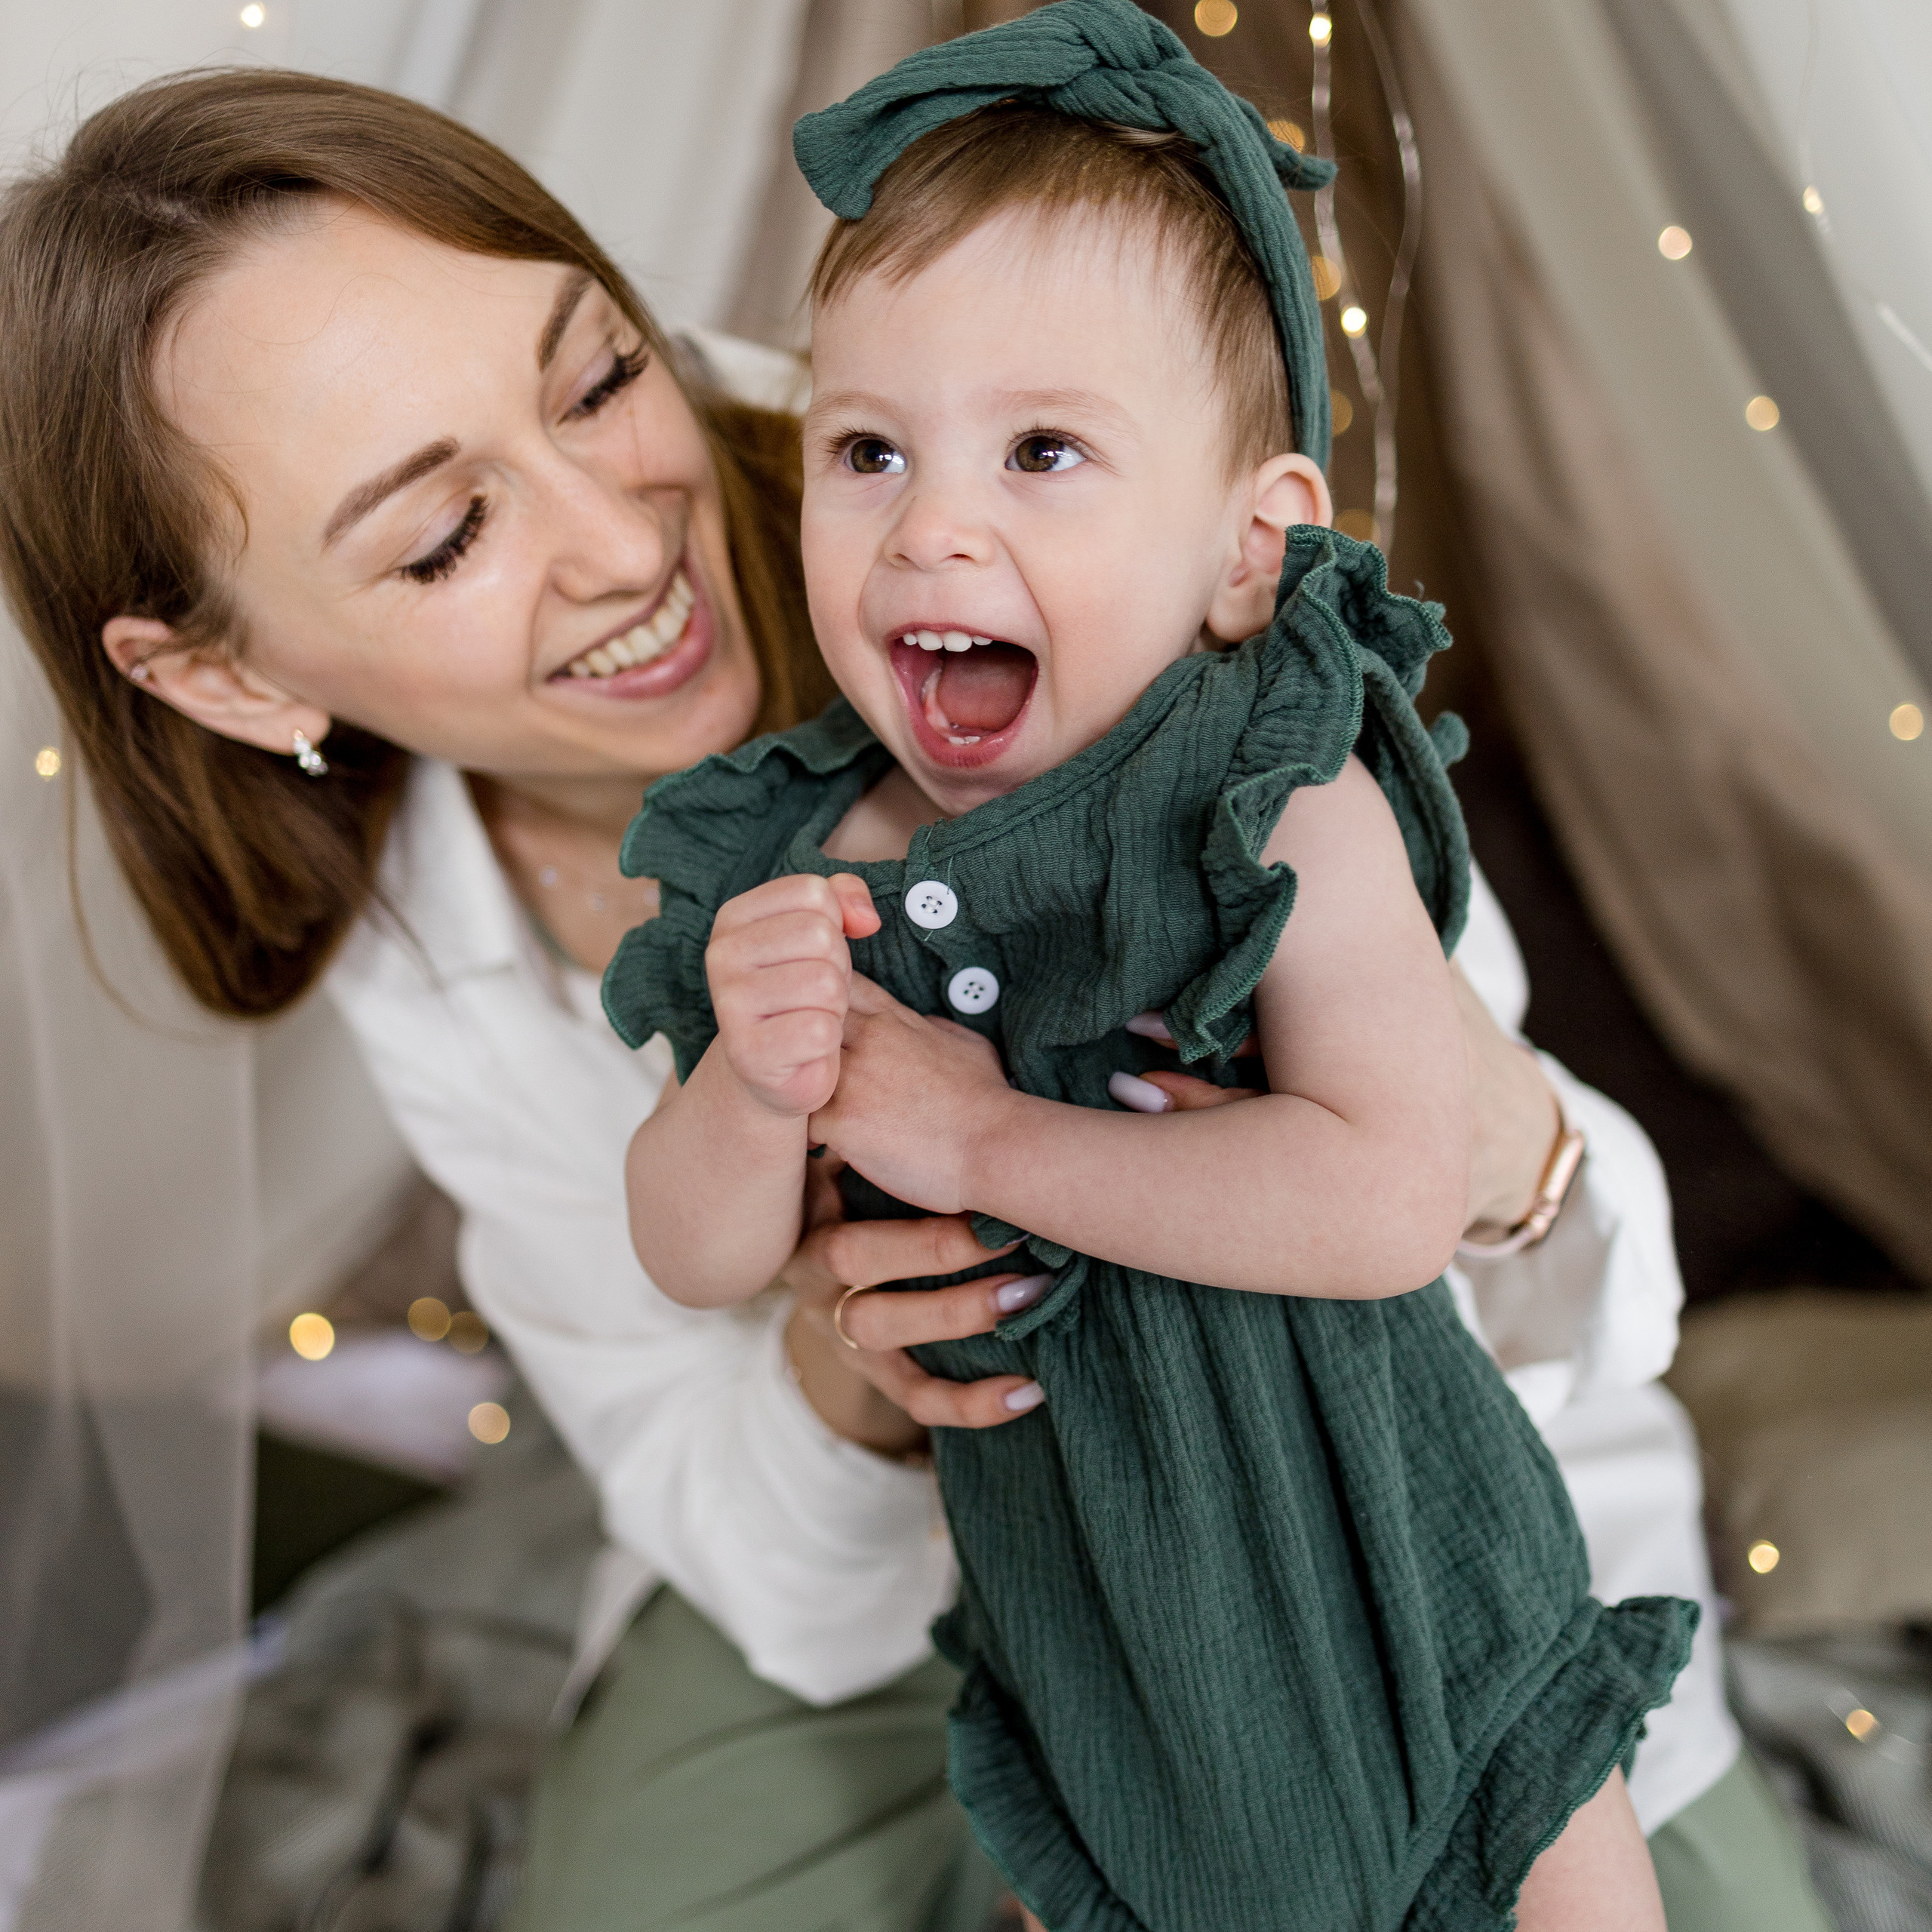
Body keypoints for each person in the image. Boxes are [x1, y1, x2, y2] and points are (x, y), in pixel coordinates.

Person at [0, 57, 1822, 1932]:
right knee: (666, 1876)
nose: (628, 542)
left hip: (1370, 1487)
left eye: (600, 377)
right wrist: (835, 1347)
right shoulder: (656, 886)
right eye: (444, 536)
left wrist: (1449, 1145)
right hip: (1019, 1576)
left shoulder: (1048, 523)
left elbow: (1480, 1244)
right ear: (226, 682)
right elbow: (730, 1460)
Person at [611, 16, 1690, 1928]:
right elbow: (696, 1258)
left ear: (1246, 550)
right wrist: (740, 1086)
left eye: (1042, 450)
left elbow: (1375, 1200)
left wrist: (982, 1135)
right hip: (1100, 1641)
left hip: (1406, 1574)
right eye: (868, 448)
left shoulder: (1280, 811)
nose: (931, 521)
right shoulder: (809, 871)